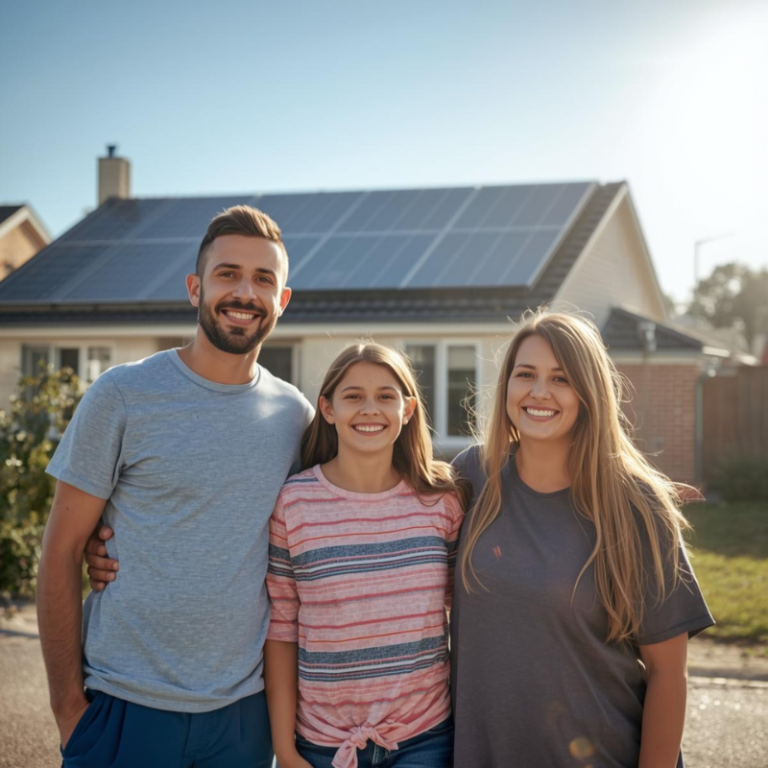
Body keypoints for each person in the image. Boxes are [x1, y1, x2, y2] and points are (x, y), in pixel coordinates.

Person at [37, 205, 314, 767]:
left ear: (282, 302)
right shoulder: (123, 395)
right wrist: (68, 709)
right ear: (195, 288)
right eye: (227, 274)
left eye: (264, 279)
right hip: (123, 707)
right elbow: (61, 552)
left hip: (242, 718)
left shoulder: (296, 417)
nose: (245, 292)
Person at [450, 310, 714, 768]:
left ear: (590, 393)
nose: (538, 392)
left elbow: (668, 674)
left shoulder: (635, 506)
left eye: (561, 379)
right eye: (525, 374)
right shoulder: (473, 475)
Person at [263, 343, 470, 768]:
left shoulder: (441, 503)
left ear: (408, 409)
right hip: (321, 744)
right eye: (353, 396)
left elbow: (462, 613)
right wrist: (284, 750)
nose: (369, 409)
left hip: (423, 739)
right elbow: (282, 629)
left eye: (385, 397)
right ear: (327, 408)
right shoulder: (294, 503)